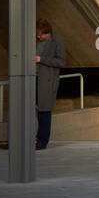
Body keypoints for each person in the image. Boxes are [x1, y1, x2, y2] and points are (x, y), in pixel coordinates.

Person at [35, 18, 67, 148]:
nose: (39, 36)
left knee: (44, 111)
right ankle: (22, 139)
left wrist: (41, 59)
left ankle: (42, 141)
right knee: (24, 109)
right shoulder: (34, 41)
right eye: (37, 34)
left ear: (47, 32)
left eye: (41, 34)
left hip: (47, 82)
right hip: (32, 78)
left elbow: (61, 62)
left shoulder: (57, 43)